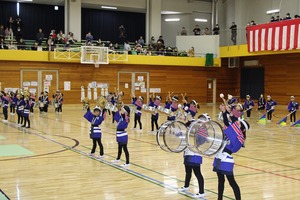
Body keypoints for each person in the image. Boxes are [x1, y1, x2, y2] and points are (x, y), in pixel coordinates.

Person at [214, 103, 250, 200]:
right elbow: (227, 122)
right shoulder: (235, 130)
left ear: (242, 128)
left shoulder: (240, 137)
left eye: (239, 123)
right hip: (219, 156)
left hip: (226, 159)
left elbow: (232, 121)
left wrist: (227, 112)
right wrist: (224, 111)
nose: (237, 123)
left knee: (232, 182)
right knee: (220, 180)